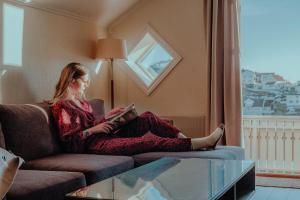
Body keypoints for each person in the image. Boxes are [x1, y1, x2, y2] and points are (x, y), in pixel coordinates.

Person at [50, 62, 224, 156]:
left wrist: (108, 117)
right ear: (73, 80)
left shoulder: (83, 102)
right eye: (85, 81)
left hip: (106, 136)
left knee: (148, 117)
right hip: (95, 145)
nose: (87, 84)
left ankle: (187, 141)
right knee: (148, 141)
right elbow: (70, 144)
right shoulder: (62, 107)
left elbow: (91, 124)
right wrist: (95, 129)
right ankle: (201, 144)